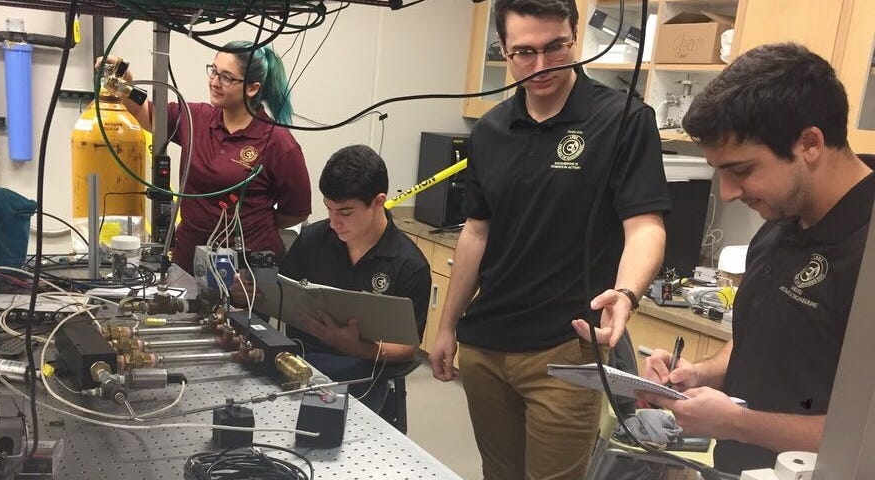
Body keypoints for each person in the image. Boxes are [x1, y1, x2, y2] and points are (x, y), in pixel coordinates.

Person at [427, 0, 671, 478]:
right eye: (523, 52)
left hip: (566, 351)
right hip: (486, 345)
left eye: (554, 48)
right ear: (503, 49)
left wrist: (625, 294)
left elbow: (645, 225)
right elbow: (477, 230)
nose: (540, 66)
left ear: (573, 35)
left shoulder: (623, 119)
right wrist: (447, 325)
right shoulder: (491, 129)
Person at [640, 43, 875, 475]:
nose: (728, 192)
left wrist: (738, 424)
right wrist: (697, 376)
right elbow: (762, 340)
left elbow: (865, 433)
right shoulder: (781, 222)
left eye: (742, 170)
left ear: (810, 143)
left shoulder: (867, 249)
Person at [103, 42, 311, 273]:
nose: (214, 82)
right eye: (213, 71)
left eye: (227, 78)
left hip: (247, 272)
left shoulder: (278, 141)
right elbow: (144, 114)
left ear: (252, 88)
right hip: (189, 261)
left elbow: (296, 211)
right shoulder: (195, 118)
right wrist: (124, 84)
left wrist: (250, 224)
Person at [279, 145, 431, 412]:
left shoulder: (409, 265)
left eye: (345, 213)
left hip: (364, 373)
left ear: (378, 201)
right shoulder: (314, 239)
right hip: (301, 360)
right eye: (329, 209)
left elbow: (407, 347)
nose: (334, 222)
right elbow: (282, 293)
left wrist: (359, 348)